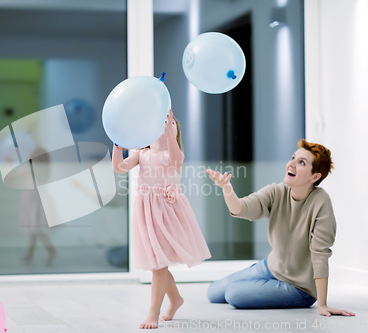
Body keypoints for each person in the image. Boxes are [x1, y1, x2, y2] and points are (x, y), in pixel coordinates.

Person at [205, 139, 355, 317]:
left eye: (301, 162)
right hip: (270, 267)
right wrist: (227, 189)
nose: (291, 164)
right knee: (213, 292)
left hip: (298, 287)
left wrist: (322, 304)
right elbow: (241, 208)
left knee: (233, 294)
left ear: (315, 177)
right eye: (293, 157)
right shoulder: (277, 192)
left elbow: (320, 253)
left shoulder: (321, 202)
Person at [112, 109, 211, 329]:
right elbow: (119, 168)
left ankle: (153, 313)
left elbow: (176, 161)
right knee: (159, 263)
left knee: (159, 265)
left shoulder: (173, 154)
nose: (161, 129)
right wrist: (117, 147)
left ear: (173, 132)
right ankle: (176, 299)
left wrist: (170, 136)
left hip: (168, 213)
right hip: (147, 212)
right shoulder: (141, 153)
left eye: (167, 126)